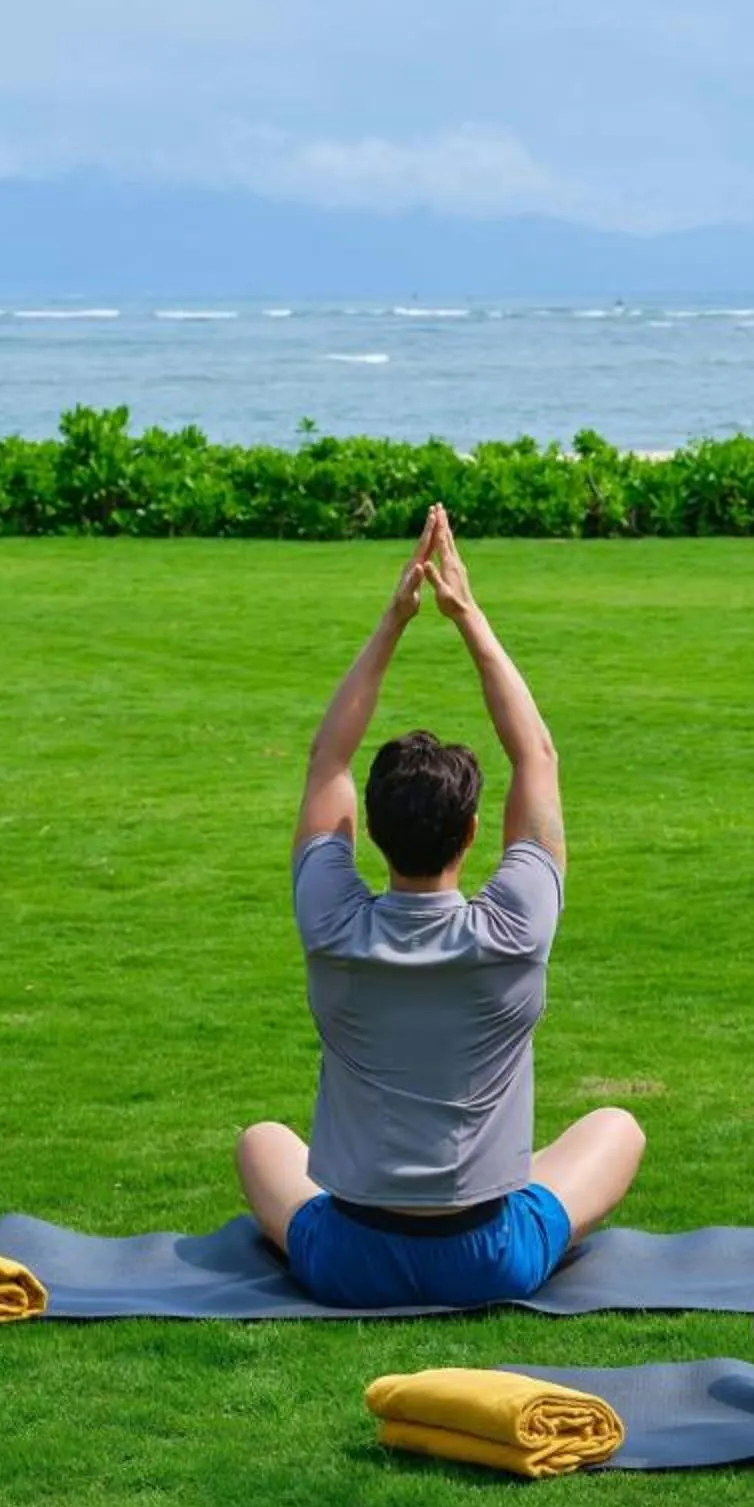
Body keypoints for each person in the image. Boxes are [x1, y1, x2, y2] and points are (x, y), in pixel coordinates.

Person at [235, 504, 645, 1308]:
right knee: (617, 1129)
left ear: (370, 834)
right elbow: (538, 756)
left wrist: (394, 619)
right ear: (472, 831)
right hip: (488, 1257)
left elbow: (329, 759)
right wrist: (467, 614)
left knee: (261, 1141)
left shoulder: (332, 920)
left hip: (347, 1258)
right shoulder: (515, 928)